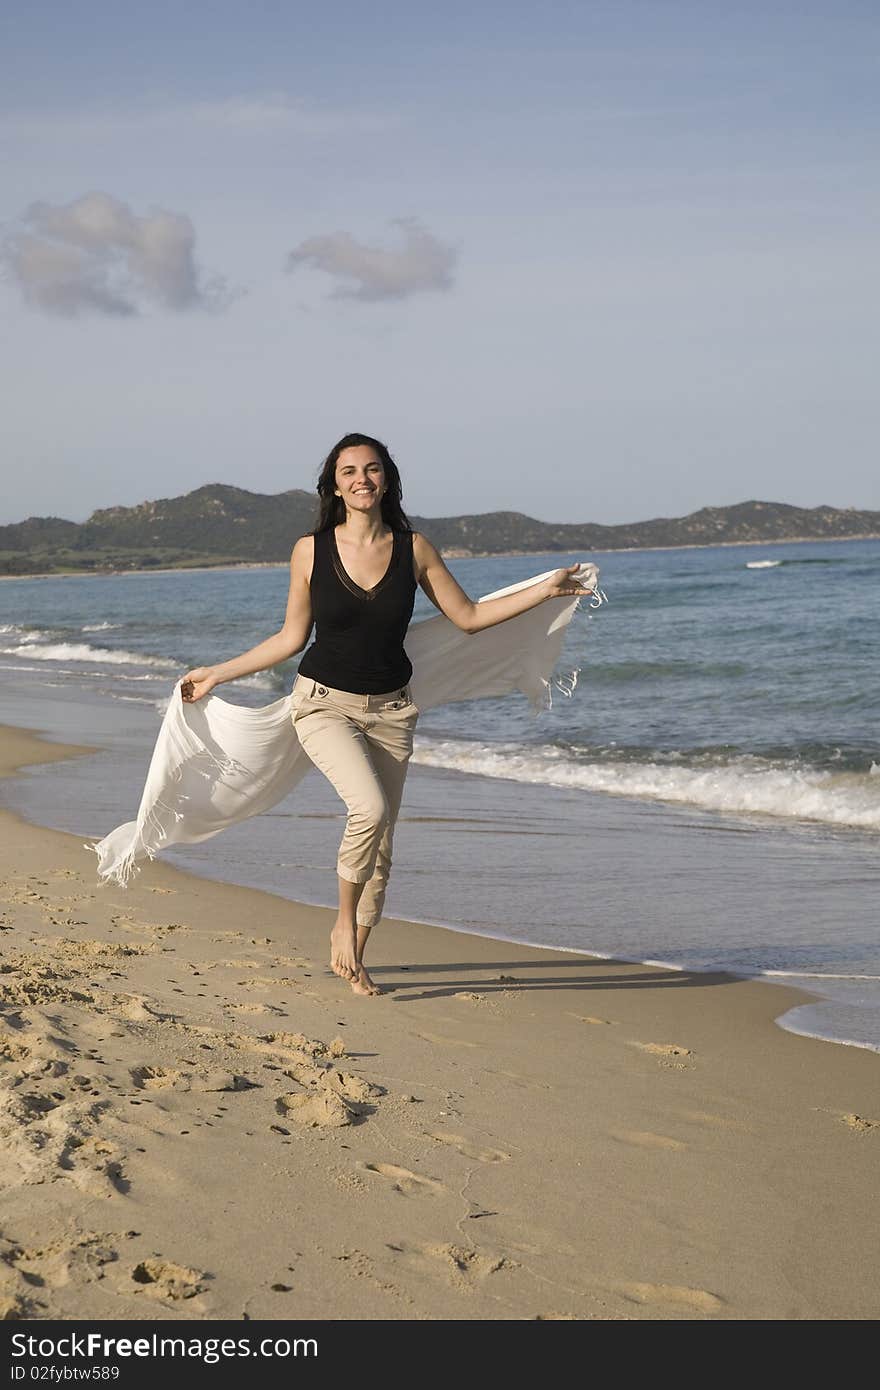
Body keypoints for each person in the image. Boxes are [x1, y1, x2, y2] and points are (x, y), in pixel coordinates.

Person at [179, 432, 593, 997]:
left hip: (394, 712)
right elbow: (291, 637)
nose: (361, 480)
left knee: (383, 843)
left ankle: (357, 961)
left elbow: (468, 616)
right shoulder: (311, 549)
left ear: (387, 479)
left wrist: (546, 593)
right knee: (367, 809)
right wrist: (217, 673)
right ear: (334, 484)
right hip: (323, 703)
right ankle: (342, 925)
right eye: (349, 471)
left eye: (372, 470)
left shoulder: (414, 548)